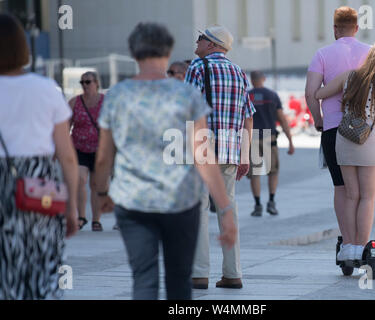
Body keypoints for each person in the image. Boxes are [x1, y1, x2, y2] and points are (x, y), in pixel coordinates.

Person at [94, 22, 236, 300]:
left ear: (134, 54)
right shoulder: (188, 91)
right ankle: (225, 273)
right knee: (178, 281)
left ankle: (201, 272)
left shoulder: (119, 94)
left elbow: (104, 156)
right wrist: (227, 208)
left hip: (134, 198)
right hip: (182, 195)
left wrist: (102, 193)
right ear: (167, 51)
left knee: (144, 277)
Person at [0, 13, 79, 299]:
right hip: (38, 186)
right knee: (43, 265)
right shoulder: (46, 89)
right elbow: (68, 157)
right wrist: (72, 207)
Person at [185, 25, 255, 289]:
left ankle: (199, 273)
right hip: (231, 149)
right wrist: (245, 155)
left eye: (201, 38)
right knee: (228, 209)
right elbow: (248, 116)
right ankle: (233, 273)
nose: (197, 40)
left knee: (199, 209)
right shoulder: (238, 72)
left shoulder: (197, 67)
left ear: (212, 45)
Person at [314, 41, 375, 260]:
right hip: (368, 142)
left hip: (343, 139)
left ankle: (348, 247)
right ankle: (361, 248)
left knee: (351, 196)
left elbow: (319, 93)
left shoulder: (348, 76)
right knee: (367, 197)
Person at [305, 6, 371, 251]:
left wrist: (318, 118)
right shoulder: (371, 53)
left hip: (334, 129)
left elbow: (310, 93)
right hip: (365, 131)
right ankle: (362, 243)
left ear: (334, 28)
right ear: (356, 27)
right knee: (364, 192)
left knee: (342, 187)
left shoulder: (322, 54)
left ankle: (347, 243)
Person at [247, 71, 295, 217]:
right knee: (272, 172)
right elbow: (281, 118)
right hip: (269, 137)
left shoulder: (246, 96)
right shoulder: (272, 95)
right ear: (263, 79)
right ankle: (271, 202)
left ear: (251, 80)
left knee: (255, 173)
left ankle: (257, 205)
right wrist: (290, 141)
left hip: (252, 137)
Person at [68, 71, 105, 231]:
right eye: (82, 82)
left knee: (96, 185)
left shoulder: (106, 102)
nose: (84, 85)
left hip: (100, 149)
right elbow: (66, 126)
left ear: (96, 83)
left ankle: (96, 220)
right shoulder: (74, 102)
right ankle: (82, 216)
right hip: (79, 147)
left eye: (88, 82)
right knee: (80, 180)